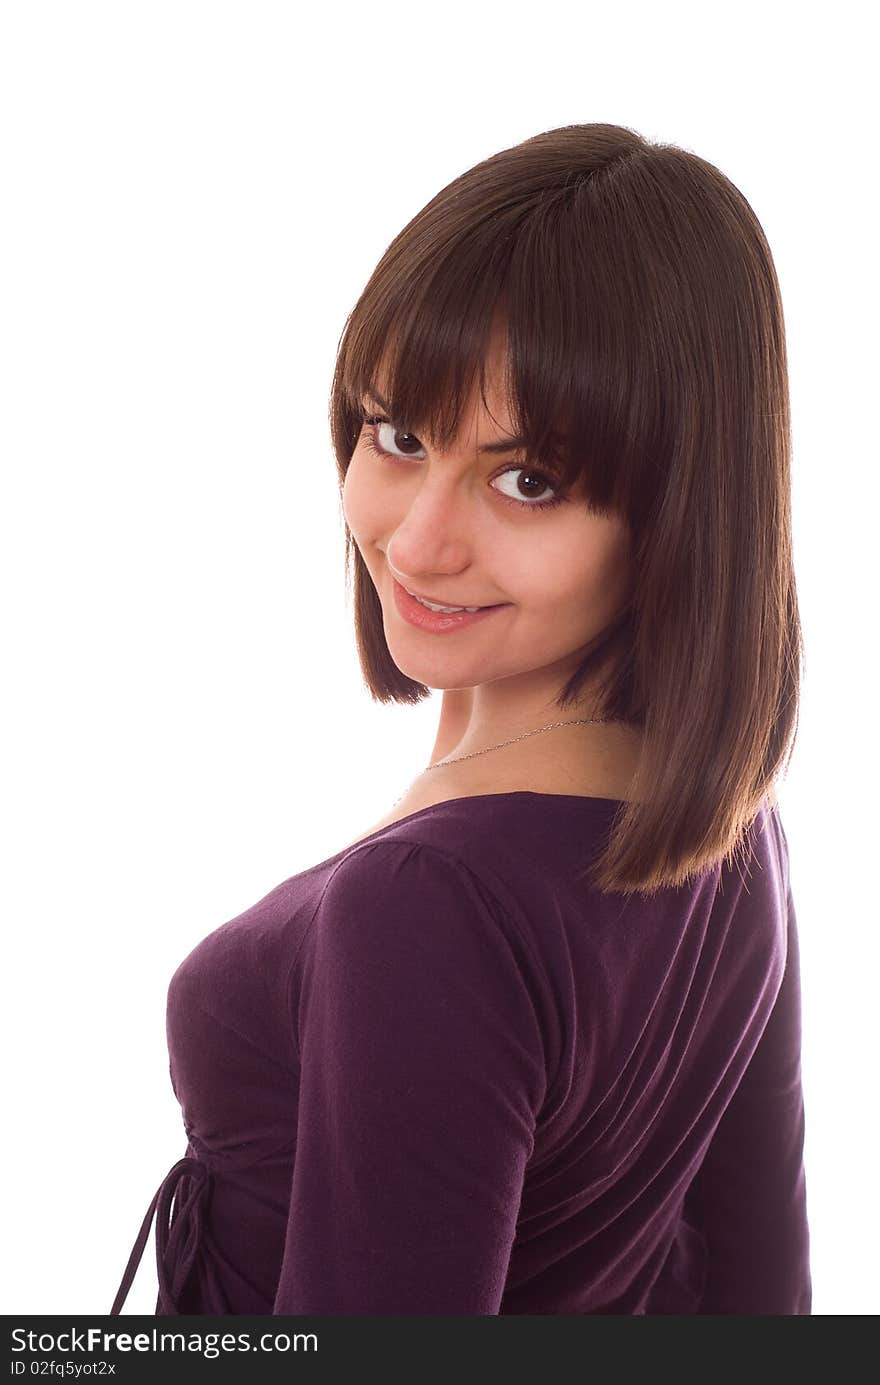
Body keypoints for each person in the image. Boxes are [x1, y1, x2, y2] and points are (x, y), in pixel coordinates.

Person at [109, 122, 811, 1316]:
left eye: (525, 478)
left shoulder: (433, 901)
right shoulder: (730, 836)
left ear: (678, 516)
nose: (416, 539)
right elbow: (762, 1303)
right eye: (398, 435)